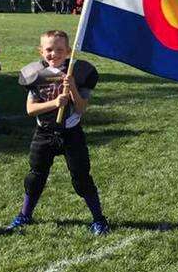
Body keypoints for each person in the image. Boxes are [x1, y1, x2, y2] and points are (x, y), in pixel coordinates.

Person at [7, 30, 109, 235]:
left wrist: (72, 88)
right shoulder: (35, 74)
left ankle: (99, 219)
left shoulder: (79, 72)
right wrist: (54, 103)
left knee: (81, 178)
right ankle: (25, 215)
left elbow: (80, 108)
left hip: (71, 132)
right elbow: (30, 109)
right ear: (41, 51)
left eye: (59, 50)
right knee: (35, 177)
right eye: (49, 49)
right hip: (44, 132)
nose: (54, 54)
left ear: (68, 51)